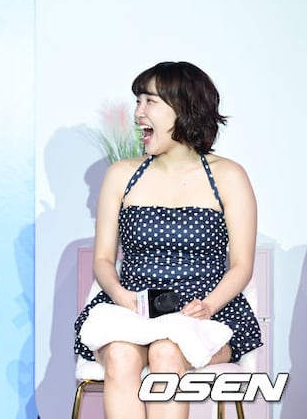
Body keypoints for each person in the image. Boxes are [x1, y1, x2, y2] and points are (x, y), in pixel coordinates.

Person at [74, 61, 262, 419]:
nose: (138, 113)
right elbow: (103, 259)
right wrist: (121, 296)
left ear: (185, 108)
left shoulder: (229, 176)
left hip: (204, 313)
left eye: (150, 102)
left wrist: (208, 305)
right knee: (120, 354)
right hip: (133, 309)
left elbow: (241, 265)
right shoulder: (121, 175)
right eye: (138, 101)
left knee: (166, 351)